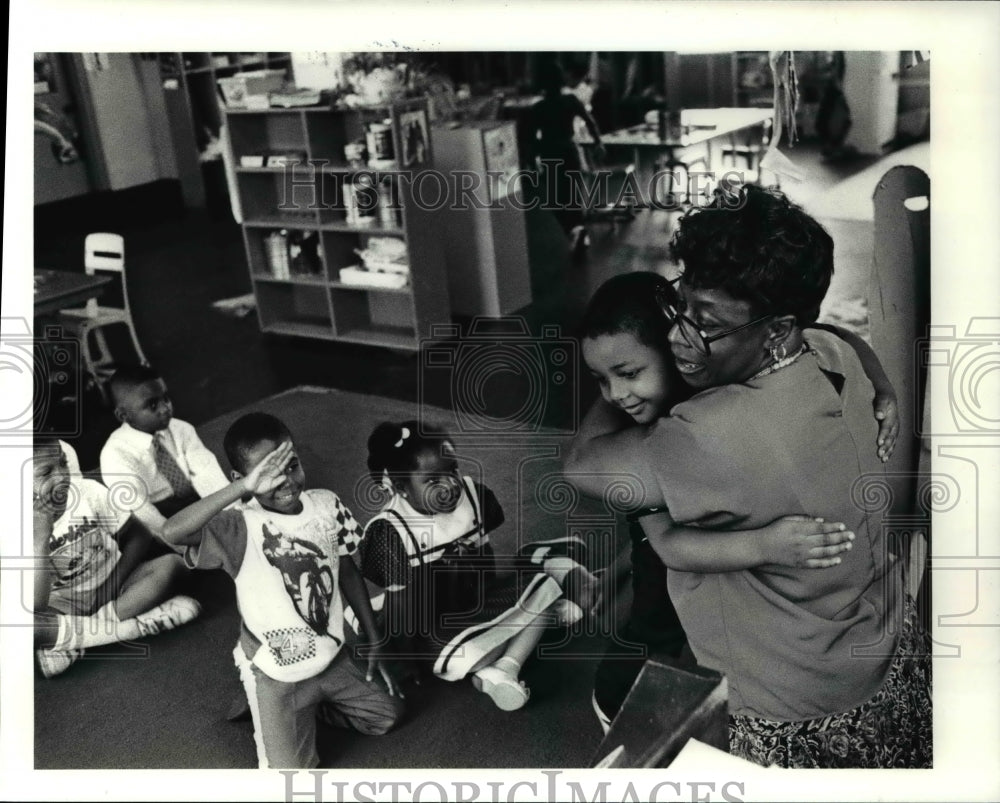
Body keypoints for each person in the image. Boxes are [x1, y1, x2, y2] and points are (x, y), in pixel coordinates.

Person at [565, 185, 930, 768]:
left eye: (705, 322)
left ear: (778, 329)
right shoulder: (831, 354)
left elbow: (583, 467)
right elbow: (840, 336)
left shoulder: (712, 431)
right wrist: (883, 383)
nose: (679, 337)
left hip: (798, 702)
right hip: (886, 649)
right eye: (679, 306)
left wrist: (620, 381)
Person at [160, 412, 403, 769]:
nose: (286, 481)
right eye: (268, 475)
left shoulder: (327, 503)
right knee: (290, 777)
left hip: (331, 657)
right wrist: (244, 490)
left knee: (389, 715)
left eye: (291, 465)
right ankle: (263, 697)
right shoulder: (239, 525)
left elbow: (348, 571)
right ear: (241, 479)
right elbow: (172, 533)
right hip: (276, 673)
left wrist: (373, 636)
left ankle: (315, 710)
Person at [360, 421, 600, 711]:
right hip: (432, 622)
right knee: (464, 659)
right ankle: (538, 592)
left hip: (474, 600)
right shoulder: (391, 531)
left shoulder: (472, 496)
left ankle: (506, 667)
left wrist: (498, 599)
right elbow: (401, 611)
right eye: (432, 480)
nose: (449, 486)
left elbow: (484, 555)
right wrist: (409, 658)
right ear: (402, 488)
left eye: (452, 470)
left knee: (543, 590)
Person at [32, 437, 200, 678]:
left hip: (115, 584)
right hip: (64, 608)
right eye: (46, 471)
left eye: (63, 463)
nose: (61, 476)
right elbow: (35, 606)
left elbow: (139, 536)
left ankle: (77, 643)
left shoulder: (88, 492)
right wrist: (39, 542)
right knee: (22, 627)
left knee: (174, 566)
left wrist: (110, 587)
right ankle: (134, 627)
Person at [100, 365, 230, 542]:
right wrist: (182, 541)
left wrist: (232, 515)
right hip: (162, 520)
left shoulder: (180, 429)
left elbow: (209, 475)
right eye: (152, 404)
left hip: (198, 504)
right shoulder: (116, 455)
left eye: (166, 398)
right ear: (123, 415)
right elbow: (143, 512)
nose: (165, 408)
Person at [526, 60, 606, 258]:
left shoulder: (538, 107)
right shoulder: (570, 100)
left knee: (555, 200)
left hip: (549, 153)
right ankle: (577, 230)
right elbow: (590, 122)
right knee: (573, 196)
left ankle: (573, 230)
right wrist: (598, 142)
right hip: (569, 151)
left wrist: (531, 162)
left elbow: (529, 138)